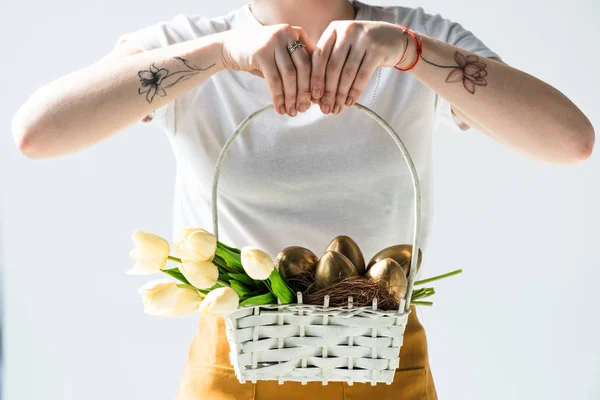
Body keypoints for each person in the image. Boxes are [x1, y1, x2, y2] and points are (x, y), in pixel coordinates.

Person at [11, 0, 595, 398]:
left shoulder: (413, 37)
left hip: (381, 362)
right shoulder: (184, 45)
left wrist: (409, 52)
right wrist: (220, 53)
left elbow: (569, 142)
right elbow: (37, 134)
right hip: (235, 365)